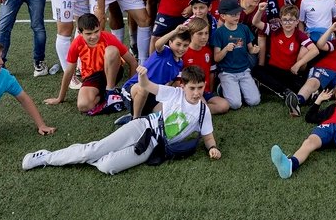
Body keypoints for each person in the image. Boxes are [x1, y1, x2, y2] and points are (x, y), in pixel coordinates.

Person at [22, 65, 220, 175]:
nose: (196, 93)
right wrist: (142, 76)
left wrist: (212, 148)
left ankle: (87, 153)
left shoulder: (203, 111)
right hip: (142, 126)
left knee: (107, 167)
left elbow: (208, 136)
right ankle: (46, 157)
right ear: (183, 85)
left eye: (200, 88)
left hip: (153, 146)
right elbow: (147, 85)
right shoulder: (173, 93)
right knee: (94, 150)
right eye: (192, 88)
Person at [44, 13, 139, 115]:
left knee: (111, 51)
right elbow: (69, 71)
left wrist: (129, 89)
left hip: (112, 70)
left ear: (100, 27)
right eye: (89, 34)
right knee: (83, 105)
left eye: (96, 31)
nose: (93, 36)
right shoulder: (76, 43)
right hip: (91, 77)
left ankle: (111, 92)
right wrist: (60, 98)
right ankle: (109, 94)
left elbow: (133, 62)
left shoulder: (108, 37)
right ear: (80, 33)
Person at [211, 0, 262, 110]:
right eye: (233, 14)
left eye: (238, 13)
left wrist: (255, 50)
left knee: (254, 101)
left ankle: (243, 88)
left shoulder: (244, 28)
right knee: (235, 105)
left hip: (244, 70)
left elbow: (250, 49)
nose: (237, 16)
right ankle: (222, 88)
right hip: (227, 73)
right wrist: (225, 50)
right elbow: (216, 58)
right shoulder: (219, 33)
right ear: (223, 16)